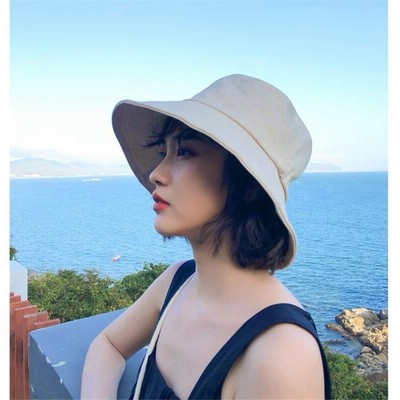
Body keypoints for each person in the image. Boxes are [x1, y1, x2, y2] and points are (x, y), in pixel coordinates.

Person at [81, 74, 331, 399]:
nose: (156, 173)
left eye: (184, 151)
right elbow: (109, 344)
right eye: (164, 151)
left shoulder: (282, 355)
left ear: (250, 184)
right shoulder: (178, 281)